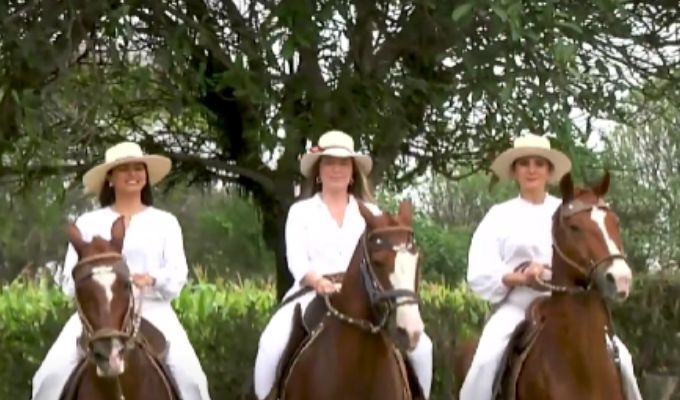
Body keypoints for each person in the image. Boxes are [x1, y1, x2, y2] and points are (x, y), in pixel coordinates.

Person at [458, 133, 643, 400]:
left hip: (570, 306)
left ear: (549, 171)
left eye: (539, 163)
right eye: (524, 163)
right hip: (518, 306)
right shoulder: (499, 215)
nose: (531, 170)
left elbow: (589, 259)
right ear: (514, 171)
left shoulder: (570, 212)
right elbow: (480, 269)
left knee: (622, 358)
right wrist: (520, 278)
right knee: (486, 359)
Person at [252, 130, 433, 399]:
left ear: (352, 172)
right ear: (318, 171)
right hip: (311, 291)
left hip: (365, 295)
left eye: (343, 163)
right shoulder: (301, 212)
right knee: (270, 343)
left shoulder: (372, 213)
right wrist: (318, 282)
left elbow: (389, 258)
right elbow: (297, 260)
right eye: (329, 163)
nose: (336, 169)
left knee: (423, 349)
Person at [31, 141, 211, 400]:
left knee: (193, 380)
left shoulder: (165, 222)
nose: (133, 174)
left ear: (146, 176)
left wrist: (153, 279)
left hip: (153, 309)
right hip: (97, 315)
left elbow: (177, 273)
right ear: (110, 178)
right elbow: (69, 280)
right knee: (48, 377)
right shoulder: (88, 222)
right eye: (124, 169)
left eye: (138, 168)